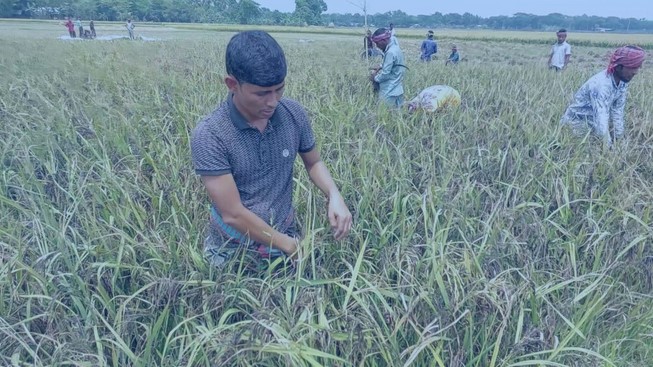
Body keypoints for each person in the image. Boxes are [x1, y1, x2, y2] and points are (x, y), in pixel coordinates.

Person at [191, 30, 352, 270]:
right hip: (232, 246)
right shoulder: (210, 134)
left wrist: (334, 195)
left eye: (279, 89)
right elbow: (232, 214)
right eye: (262, 93)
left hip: (285, 231)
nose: (273, 101)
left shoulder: (293, 114)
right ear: (232, 84)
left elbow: (313, 162)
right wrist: (290, 246)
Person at [560, 45, 646, 147]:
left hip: (593, 123)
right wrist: (609, 148)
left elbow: (618, 111)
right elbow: (601, 118)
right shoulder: (601, 86)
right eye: (633, 68)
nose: (636, 72)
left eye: (637, 67)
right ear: (619, 67)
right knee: (586, 151)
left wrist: (619, 139)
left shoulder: (623, 82)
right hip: (576, 124)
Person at [369, 27, 407, 108]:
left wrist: (375, 78)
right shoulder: (396, 47)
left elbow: (385, 74)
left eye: (377, 43)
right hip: (398, 89)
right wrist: (380, 66)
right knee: (398, 114)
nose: (377, 46)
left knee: (384, 115)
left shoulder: (390, 52)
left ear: (383, 41)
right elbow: (393, 64)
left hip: (389, 90)